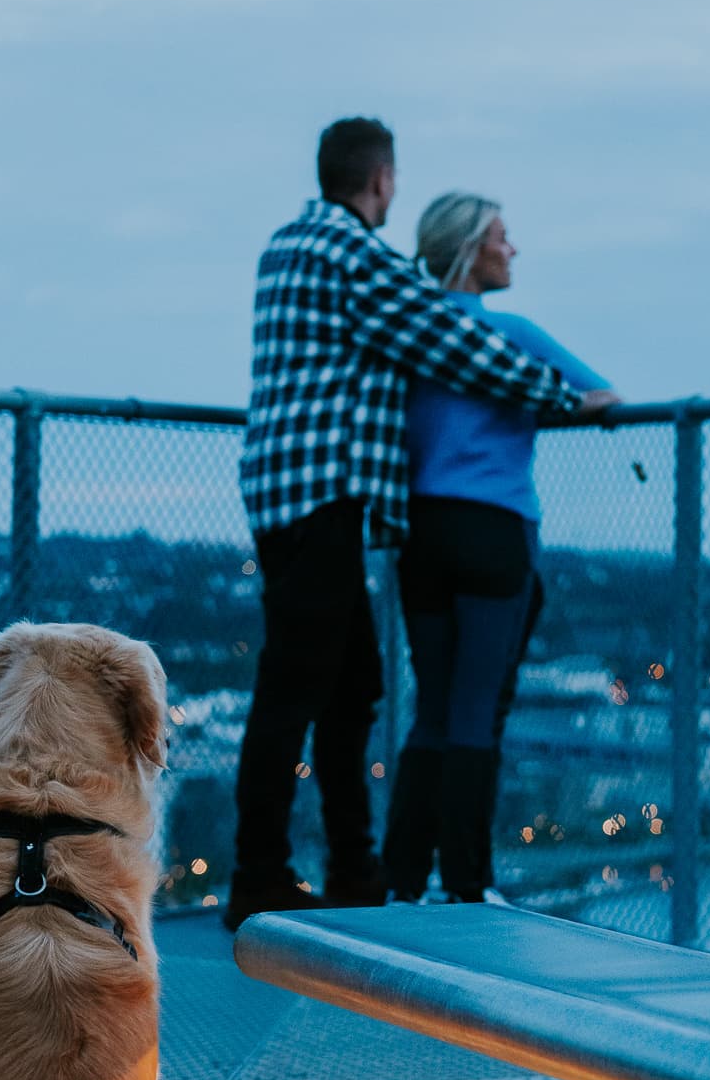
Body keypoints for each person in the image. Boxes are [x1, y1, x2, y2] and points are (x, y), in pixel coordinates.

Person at [226, 120, 613, 930]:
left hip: (286, 493)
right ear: (381, 182)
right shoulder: (354, 255)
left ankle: (361, 873)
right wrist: (559, 397)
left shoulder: (284, 244)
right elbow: (453, 345)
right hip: (325, 494)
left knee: (352, 687)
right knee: (298, 692)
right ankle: (266, 876)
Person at [383, 192, 615, 903]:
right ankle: (466, 884)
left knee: (430, 710)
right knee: (476, 713)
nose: (512, 251)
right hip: (493, 530)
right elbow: (601, 397)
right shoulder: (510, 333)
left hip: (419, 531)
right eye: (503, 238)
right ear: (471, 249)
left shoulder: (410, 336)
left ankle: (400, 878)